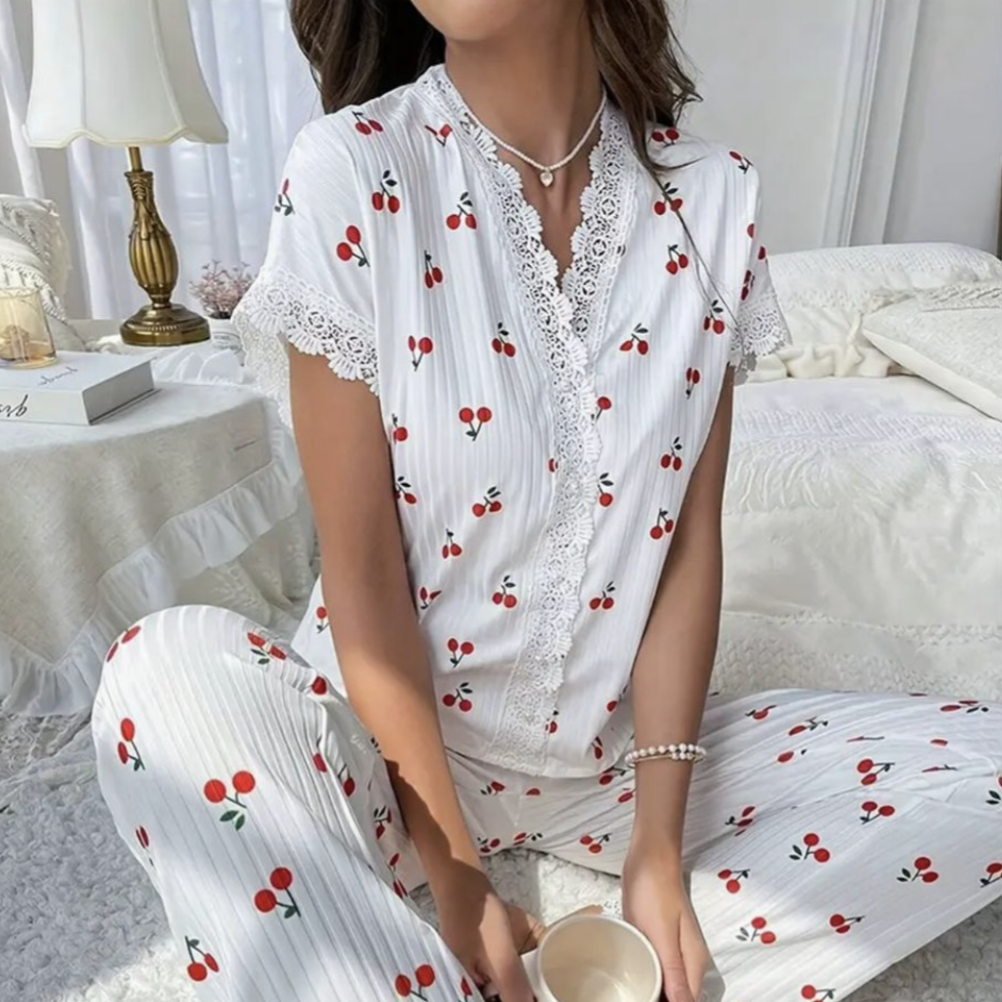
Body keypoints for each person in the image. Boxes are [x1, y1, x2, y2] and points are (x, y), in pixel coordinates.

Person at [92, 2, 1002, 1001]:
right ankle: (445, 955)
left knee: (983, 775)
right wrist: (454, 868)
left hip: (606, 768)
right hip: (382, 760)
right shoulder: (351, 171)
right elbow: (362, 578)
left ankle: (559, 964)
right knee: (159, 677)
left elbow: (685, 555)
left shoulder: (713, 202)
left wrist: (658, 849)